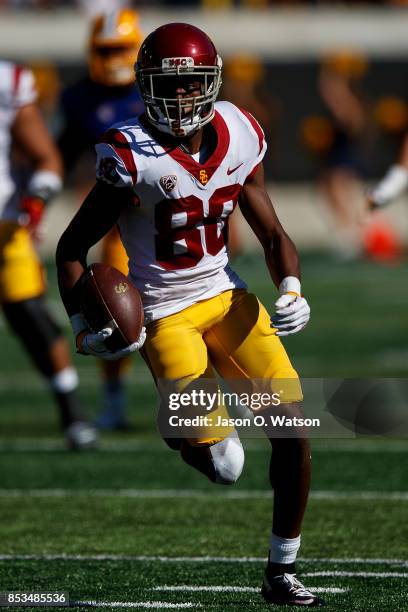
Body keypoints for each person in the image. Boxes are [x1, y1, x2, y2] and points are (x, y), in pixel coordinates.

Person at [56, 23, 322, 605]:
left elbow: (272, 231)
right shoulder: (130, 155)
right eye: (167, 87)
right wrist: (85, 328)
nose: (180, 99)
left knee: (294, 431)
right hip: (165, 312)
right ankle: (183, 431)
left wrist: (293, 288)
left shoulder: (239, 131)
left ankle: (281, 571)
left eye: (191, 86)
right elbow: (71, 249)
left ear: (212, 84)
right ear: (145, 87)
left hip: (228, 297)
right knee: (224, 467)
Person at [0, 60, 96, 449]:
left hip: (4, 228)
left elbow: (47, 157)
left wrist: (37, 198)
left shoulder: (7, 82)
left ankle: (72, 413)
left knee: (32, 319)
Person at [58, 8, 145, 430]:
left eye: (120, 49)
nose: (113, 58)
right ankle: (114, 400)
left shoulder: (154, 88)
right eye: (106, 50)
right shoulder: (79, 98)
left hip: (167, 214)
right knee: (111, 308)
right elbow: (62, 153)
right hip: (118, 220)